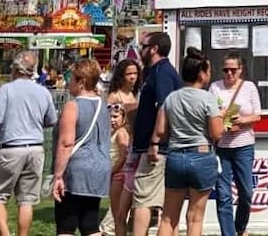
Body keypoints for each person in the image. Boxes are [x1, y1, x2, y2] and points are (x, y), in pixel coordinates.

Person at [0, 50, 58, 236]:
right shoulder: (43, 92)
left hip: (11, 148)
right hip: (35, 149)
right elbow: (51, 120)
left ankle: (5, 234)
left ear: (15, 68)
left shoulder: (6, 90)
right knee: (26, 200)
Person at [151, 50, 222, 236]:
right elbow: (216, 133)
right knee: (195, 217)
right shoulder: (208, 98)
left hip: (175, 156)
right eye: (208, 70)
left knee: (168, 217)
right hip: (201, 155)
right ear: (201, 74)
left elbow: (160, 131)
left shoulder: (172, 97)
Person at [51, 58, 111, 236]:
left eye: (72, 78)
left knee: (66, 224)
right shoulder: (103, 105)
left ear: (81, 82)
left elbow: (66, 143)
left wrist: (58, 175)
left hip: (77, 169)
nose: (69, 82)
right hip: (99, 168)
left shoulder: (73, 106)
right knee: (90, 223)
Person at [129, 32, 181, 236]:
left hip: (157, 149)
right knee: (167, 202)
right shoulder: (154, 71)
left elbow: (164, 107)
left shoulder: (162, 72)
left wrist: (155, 142)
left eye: (143, 46)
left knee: (143, 199)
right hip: (155, 146)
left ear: (154, 49)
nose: (140, 50)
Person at [210, 56, 261, 236]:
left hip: (244, 145)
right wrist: (221, 118)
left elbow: (258, 116)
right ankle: (228, 233)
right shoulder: (215, 88)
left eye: (233, 70)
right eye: (226, 70)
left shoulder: (249, 87)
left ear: (240, 70)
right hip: (222, 147)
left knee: (246, 192)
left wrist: (243, 120)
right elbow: (210, 115)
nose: (229, 73)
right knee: (223, 194)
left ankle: (240, 227)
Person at [104, 100, 130, 236]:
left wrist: (111, 172)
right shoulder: (113, 133)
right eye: (109, 117)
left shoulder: (121, 133)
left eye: (115, 116)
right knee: (117, 215)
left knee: (118, 215)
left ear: (123, 118)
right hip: (115, 173)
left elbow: (123, 156)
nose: (111, 120)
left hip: (118, 175)